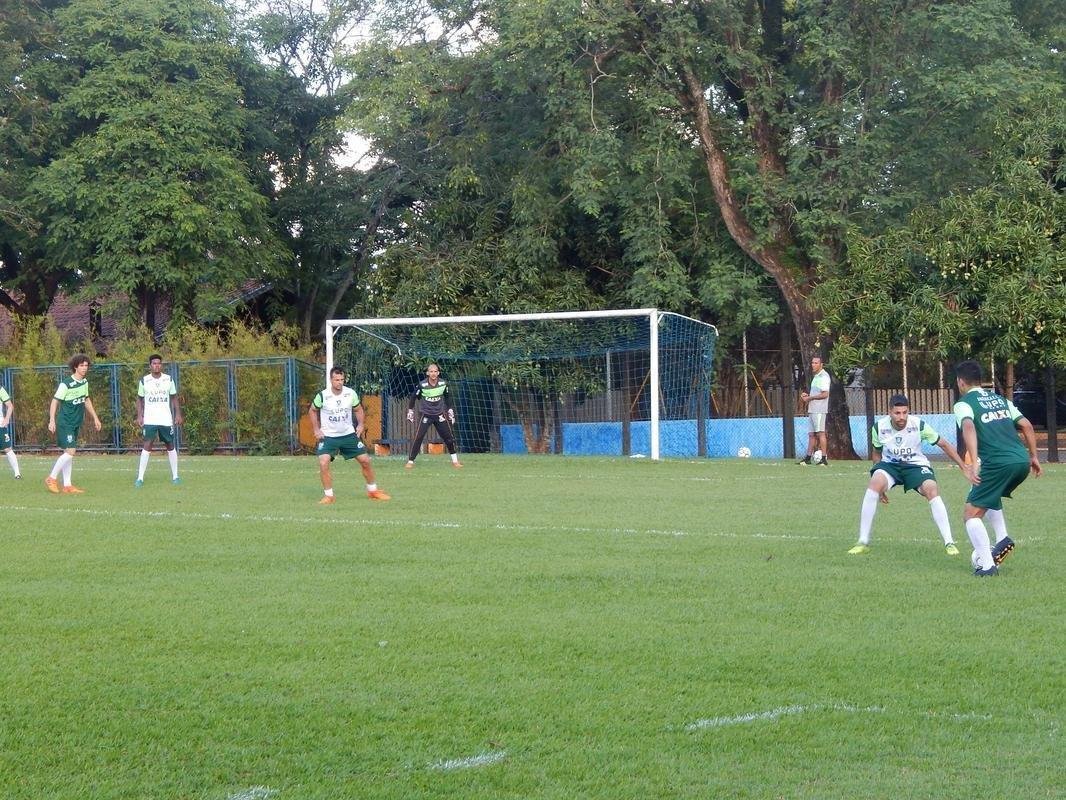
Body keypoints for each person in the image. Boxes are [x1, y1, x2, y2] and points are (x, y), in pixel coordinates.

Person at [847, 394, 971, 556]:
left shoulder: (918, 425)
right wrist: (878, 481)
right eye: (897, 413)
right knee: (874, 483)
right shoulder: (879, 427)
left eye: (905, 412)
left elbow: (944, 444)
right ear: (889, 412)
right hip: (891, 466)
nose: (901, 417)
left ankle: (949, 542)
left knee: (931, 489)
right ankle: (862, 541)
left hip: (915, 466)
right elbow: (877, 453)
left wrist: (963, 466)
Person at [954, 360, 1042, 576]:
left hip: (998, 463)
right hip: (1021, 461)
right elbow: (1027, 425)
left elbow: (968, 426)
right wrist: (1034, 456)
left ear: (960, 382)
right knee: (991, 495)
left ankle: (986, 565)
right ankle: (1002, 537)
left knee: (971, 515)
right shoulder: (1000, 400)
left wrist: (973, 462)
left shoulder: (964, 404)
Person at [309, 366, 390, 504]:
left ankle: (373, 491)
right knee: (323, 462)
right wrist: (316, 429)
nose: (339, 382)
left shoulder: (350, 393)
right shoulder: (323, 395)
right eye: (336, 380)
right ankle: (329, 496)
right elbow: (312, 410)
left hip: (348, 435)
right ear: (331, 380)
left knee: (365, 461)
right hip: (328, 437)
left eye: (342, 379)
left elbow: (358, 409)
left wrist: (361, 424)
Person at [46, 353, 103, 494]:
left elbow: (86, 400)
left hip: (76, 422)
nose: (85, 368)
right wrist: (52, 420)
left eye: (86, 365)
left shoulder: (84, 383)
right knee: (71, 451)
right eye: (82, 365)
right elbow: (55, 401)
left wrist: (95, 417)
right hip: (65, 422)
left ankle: (67, 486)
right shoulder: (66, 384)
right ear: (75, 367)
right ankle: (51, 478)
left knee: (68, 453)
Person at [134, 354, 183, 487]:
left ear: (161, 365)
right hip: (150, 419)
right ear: (150, 366)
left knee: (170, 445)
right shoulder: (144, 380)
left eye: (159, 363)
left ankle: (175, 476)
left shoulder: (169, 379)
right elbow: (139, 399)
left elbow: (174, 397)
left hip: (165, 418)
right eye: (154, 363)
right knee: (147, 445)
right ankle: (140, 478)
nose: (157, 365)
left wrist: (178, 414)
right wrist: (140, 416)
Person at [405, 362, 462, 469]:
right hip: (426, 414)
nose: (433, 373)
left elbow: (448, 396)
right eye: (431, 371)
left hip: (440, 414)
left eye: (435, 371)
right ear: (427, 373)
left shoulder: (443, 384)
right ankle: (410, 461)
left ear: (438, 373)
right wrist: (410, 410)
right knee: (418, 437)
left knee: (449, 438)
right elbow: (413, 397)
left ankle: (455, 461)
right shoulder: (422, 385)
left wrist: (450, 410)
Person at [797, 356, 831, 465]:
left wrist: (810, 398)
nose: (813, 365)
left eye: (816, 363)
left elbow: (825, 394)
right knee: (811, 434)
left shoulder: (824, 376)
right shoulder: (816, 377)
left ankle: (824, 459)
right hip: (812, 409)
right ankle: (807, 458)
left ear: (821, 365)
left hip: (819, 410)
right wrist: (807, 395)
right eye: (812, 363)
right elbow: (817, 393)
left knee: (821, 433)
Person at [0, 383, 22, 478]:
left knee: (7, 448)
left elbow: (10, 406)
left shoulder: (0, 389)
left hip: (0, 425)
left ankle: (17, 473)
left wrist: (7, 418)